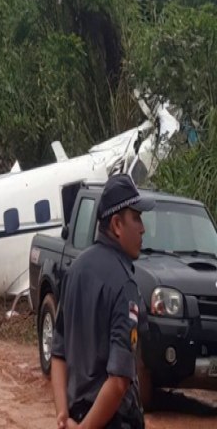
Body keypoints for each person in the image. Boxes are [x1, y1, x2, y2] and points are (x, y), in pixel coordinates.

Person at [51, 174, 152, 429]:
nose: (143, 228)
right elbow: (119, 381)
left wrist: (64, 416)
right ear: (117, 225)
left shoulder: (75, 271)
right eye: (136, 218)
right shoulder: (123, 283)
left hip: (78, 415)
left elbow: (58, 354)